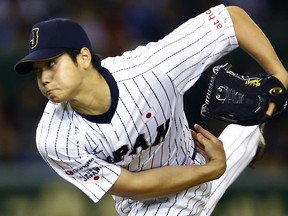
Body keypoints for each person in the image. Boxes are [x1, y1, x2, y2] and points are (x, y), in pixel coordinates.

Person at [14, 4, 288, 216]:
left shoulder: (151, 69)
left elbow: (231, 18)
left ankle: (248, 133)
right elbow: (132, 186)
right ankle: (248, 133)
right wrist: (211, 170)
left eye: (52, 64)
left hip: (190, 163)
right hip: (142, 203)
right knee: (217, 162)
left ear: (84, 57)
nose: (44, 78)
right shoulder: (54, 138)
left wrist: (280, 75)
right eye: (38, 71)